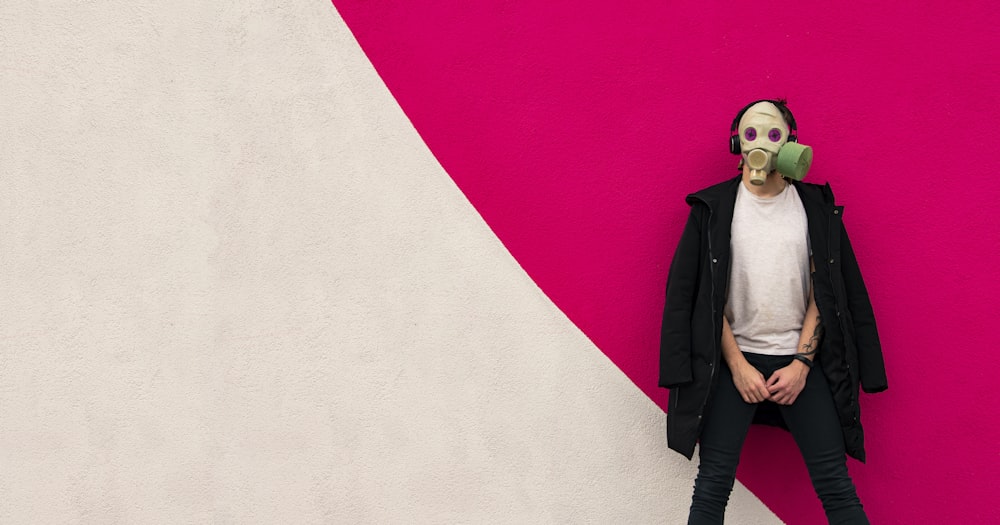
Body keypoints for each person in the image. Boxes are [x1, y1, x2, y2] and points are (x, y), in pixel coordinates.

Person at [659, 100, 888, 524]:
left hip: (800, 364)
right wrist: (738, 366)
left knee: (836, 487)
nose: (760, 144)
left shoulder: (816, 208)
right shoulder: (711, 211)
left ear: (791, 143)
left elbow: (829, 290)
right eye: (750, 135)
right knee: (712, 487)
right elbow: (703, 298)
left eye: (772, 133)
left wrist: (802, 362)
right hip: (733, 365)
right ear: (736, 144)